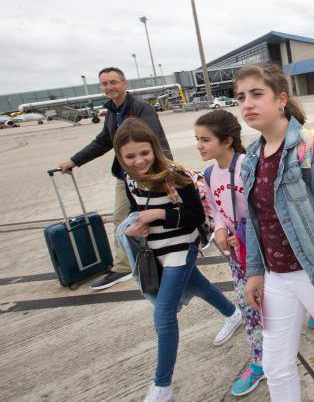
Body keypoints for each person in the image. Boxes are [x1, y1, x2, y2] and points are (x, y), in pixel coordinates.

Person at [235, 64, 314, 402]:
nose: (247, 103)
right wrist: (255, 272)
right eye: (241, 97)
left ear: (281, 99)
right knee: (275, 365)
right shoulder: (252, 157)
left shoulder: (311, 147)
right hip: (277, 278)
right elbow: (257, 222)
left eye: (257, 94)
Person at [114, 118, 242, 402]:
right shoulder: (129, 179)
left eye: (145, 153)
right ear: (120, 157)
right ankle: (234, 314)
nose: (139, 161)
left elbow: (195, 217)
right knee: (198, 285)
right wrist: (135, 228)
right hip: (157, 251)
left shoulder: (173, 175)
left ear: (155, 149)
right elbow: (138, 212)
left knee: (163, 314)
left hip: (182, 247)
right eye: (130, 156)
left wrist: (160, 215)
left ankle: (162, 387)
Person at [58, 67, 172, 291]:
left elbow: (156, 142)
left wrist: (162, 176)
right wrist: (74, 160)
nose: (109, 87)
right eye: (104, 84)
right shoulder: (112, 112)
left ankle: (133, 265)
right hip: (125, 175)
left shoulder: (141, 109)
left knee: (146, 217)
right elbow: (102, 142)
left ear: (124, 83)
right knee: (124, 219)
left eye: (113, 82)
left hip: (146, 175)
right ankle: (125, 265)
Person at [194, 110, 265, 397]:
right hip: (236, 255)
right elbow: (216, 210)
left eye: (205, 139)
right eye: (197, 139)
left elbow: (264, 208)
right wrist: (221, 229)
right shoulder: (210, 174)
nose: (199, 145)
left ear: (227, 141)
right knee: (249, 309)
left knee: (271, 303)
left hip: (260, 251)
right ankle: (260, 362)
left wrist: (243, 233)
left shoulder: (249, 165)